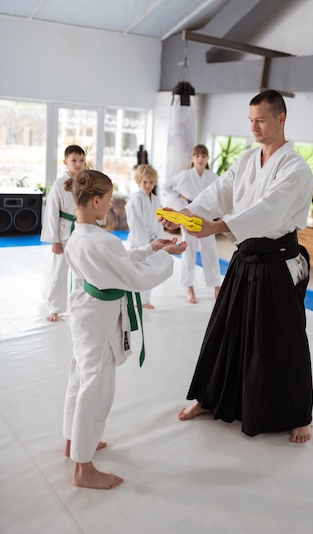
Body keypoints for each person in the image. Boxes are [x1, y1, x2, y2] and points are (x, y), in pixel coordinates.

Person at [158, 89, 313, 442]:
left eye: (260, 120)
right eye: (250, 121)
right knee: (225, 328)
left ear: (281, 118)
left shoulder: (295, 168)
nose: (254, 127)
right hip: (245, 258)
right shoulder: (246, 159)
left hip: (277, 262)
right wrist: (186, 214)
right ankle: (210, 397)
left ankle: (298, 414)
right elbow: (219, 193)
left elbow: (269, 210)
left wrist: (220, 225)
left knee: (283, 339)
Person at [62, 169, 186, 489]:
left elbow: (121, 261)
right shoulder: (101, 241)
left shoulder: (80, 235)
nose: (111, 207)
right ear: (96, 200)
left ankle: (73, 442)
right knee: (96, 386)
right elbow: (134, 276)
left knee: (80, 377)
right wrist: (167, 256)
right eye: (108, 200)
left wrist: (151, 248)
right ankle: (83, 467)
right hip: (99, 320)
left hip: (86, 314)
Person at [162, 144, 222, 303]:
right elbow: (166, 187)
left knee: (211, 252)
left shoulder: (212, 176)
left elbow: (220, 195)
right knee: (188, 252)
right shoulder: (186, 175)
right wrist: (181, 205)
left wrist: (217, 214)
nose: (200, 159)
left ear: (207, 158)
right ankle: (189, 287)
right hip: (189, 217)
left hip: (206, 217)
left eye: (203, 156)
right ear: (193, 158)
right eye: (197, 156)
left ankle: (217, 285)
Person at [40, 144, 86, 322]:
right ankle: (54, 308)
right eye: (74, 160)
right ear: (65, 161)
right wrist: (54, 239)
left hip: (81, 230)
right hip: (64, 230)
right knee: (59, 271)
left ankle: (80, 305)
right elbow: (52, 211)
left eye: (81, 160)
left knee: (82, 270)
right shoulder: (60, 184)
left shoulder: (85, 181)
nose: (78, 164)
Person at [125, 164, 165, 309]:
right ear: (138, 181)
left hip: (152, 241)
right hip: (138, 242)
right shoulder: (135, 199)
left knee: (148, 270)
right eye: (145, 182)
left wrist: (158, 241)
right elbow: (136, 223)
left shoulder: (156, 200)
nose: (148, 185)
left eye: (151, 182)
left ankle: (145, 300)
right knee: (135, 270)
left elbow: (160, 222)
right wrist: (145, 245)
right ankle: (132, 299)